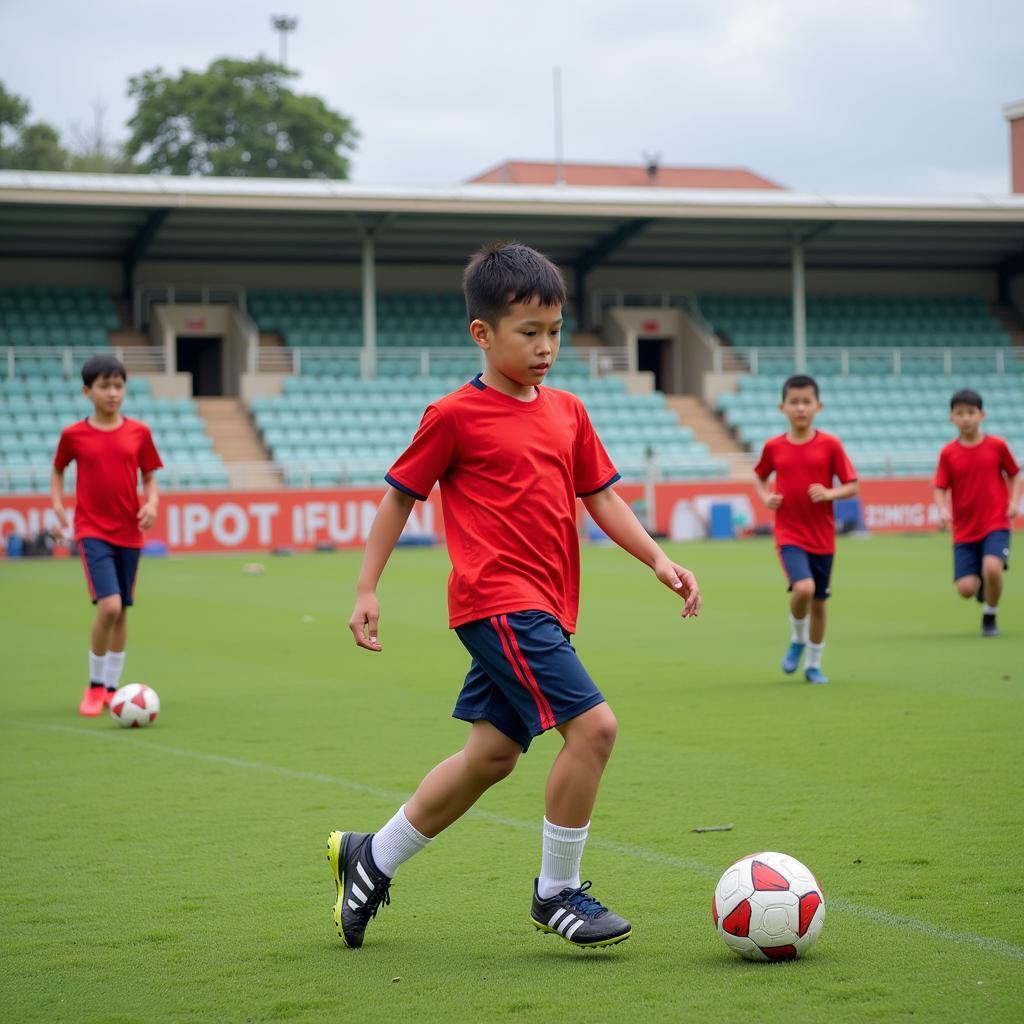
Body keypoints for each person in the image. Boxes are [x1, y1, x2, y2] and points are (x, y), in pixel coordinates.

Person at [330, 241, 701, 950]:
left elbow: (601, 495)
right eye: (529, 332)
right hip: (496, 602)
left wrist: (657, 557)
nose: (545, 347)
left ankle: (369, 858)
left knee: (492, 757)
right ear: (483, 333)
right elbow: (398, 499)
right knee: (594, 729)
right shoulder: (452, 416)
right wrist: (366, 586)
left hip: (549, 608)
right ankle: (557, 893)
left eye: (555, 331)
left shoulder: (567, 411)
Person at [51, 355, 163, 716]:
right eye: (104, 386)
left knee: (123, 611)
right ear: (88, 391)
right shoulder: (73, 435)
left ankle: (114, 690)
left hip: (129, 530)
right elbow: (58, 469)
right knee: (109, 606)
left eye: (118, 386)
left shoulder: (139, 432)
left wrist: (152, 504)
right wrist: (57, 506)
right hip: (92, 530)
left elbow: (149, 475)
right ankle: (94, 686)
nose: (113, 393)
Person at [753, 374, 858, 684]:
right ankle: (798, 639)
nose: (800, 408)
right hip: (789, 533)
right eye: (794, 402)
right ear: (782, 407)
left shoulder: (831, 445)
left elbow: (853, 485)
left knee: (820, 604)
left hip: (823, 537)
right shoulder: (774, 446)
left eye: (806, 402)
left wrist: (830, 493)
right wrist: (765, 497)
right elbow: (759, 476)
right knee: (804, 589)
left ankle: (813, 663)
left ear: (818, 406)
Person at [933, 388, 1020, 638]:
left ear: (982, 414)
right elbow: (940, 486)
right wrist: (942, 509)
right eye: (960, 413)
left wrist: (1013, 501)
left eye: (971, 412)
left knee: (993, 568)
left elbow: (1014, 474)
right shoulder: (948, 453)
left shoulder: (997, 445)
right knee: (965, 589)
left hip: (995, 521)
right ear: (951, 417)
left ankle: (990, 615)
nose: (966, 418)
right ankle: (983, 587)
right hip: (964, 528)